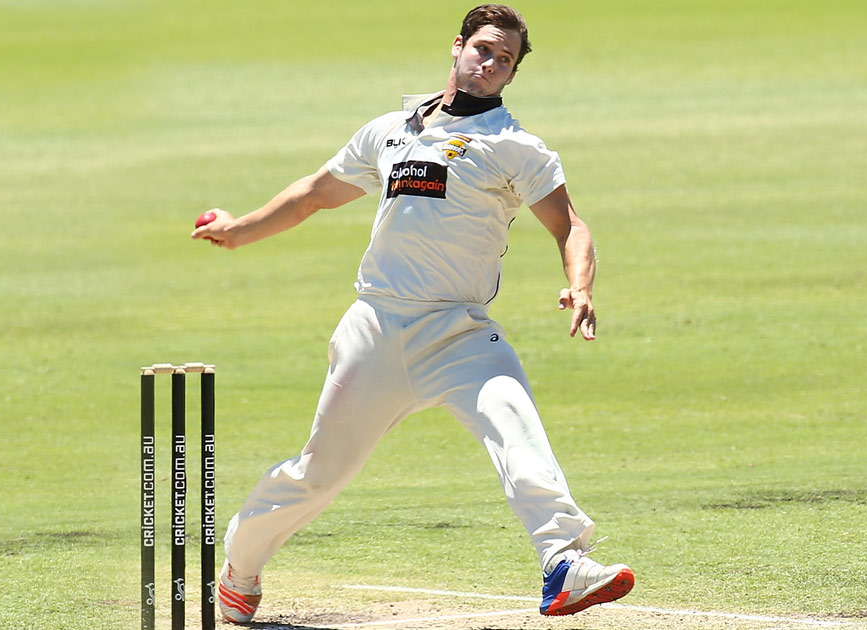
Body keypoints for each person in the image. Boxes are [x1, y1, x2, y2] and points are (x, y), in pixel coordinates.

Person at [191, 4, 634, 623]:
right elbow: (316, 193)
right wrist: (238, 231)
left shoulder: (516, 148)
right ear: (456, 47)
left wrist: (580, 286)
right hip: (376, 328)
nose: (490, 62)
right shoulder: (389, 130)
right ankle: (239, 570)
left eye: (504, 59)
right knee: (319, 473)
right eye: (483, 48)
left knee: (515, 424)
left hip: (458, 331)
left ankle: (563, 561)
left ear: (511, 75)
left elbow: (570, 225)